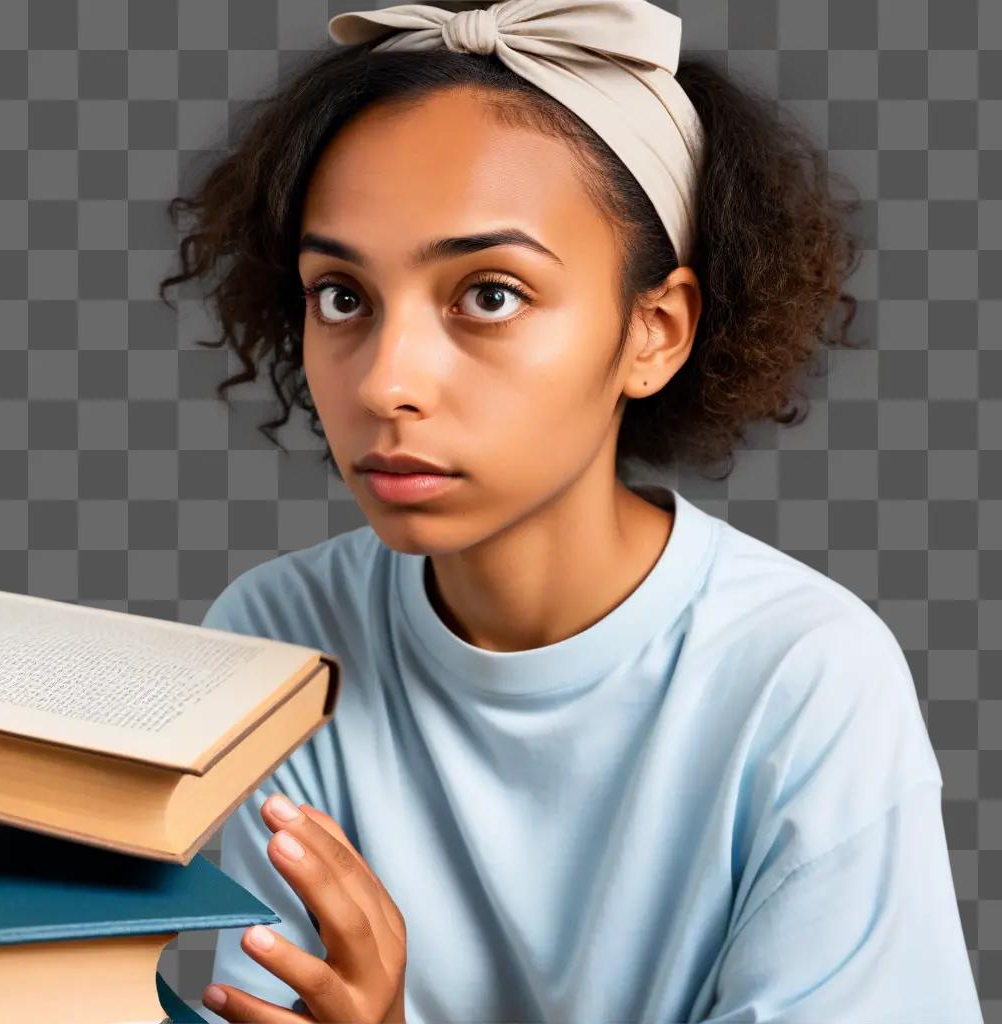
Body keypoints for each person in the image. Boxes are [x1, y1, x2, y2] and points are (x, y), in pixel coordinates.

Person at [160, 2, 984, 1021]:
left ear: (654, 330)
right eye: (341, 295)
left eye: (490, 294)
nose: (386, 381)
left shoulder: (803, 678)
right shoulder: (278, 644)